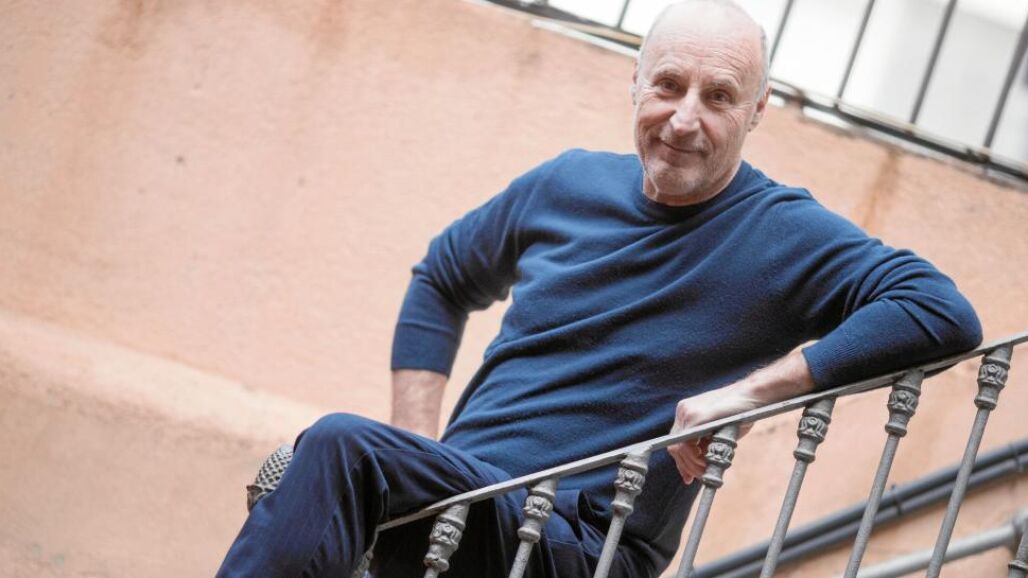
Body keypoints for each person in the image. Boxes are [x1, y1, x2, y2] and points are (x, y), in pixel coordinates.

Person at [216, 1, 981, 576]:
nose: (684, 120)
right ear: (635, 84)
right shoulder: (566, 184)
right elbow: (441, 279)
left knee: (337, 449)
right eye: (668, 86)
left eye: (718, 97)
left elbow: (939, 311)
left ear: (757, 110)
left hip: (580, 543)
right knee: (324, 469)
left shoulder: (785, 233)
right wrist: (418, 447)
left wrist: (754, 394)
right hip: (460, 504)